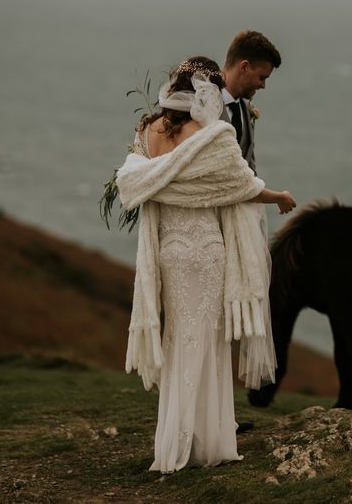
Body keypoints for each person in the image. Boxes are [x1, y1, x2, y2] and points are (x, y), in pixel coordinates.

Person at [116, 56, 296, 474]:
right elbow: (241, 187)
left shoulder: (146, 132)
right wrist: (280, 196)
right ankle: (207, 444)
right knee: (208, 344)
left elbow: (133, 181)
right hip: (205, 250)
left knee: (180, 341)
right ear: (206, 94)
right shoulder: (214, 135)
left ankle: (174, 444)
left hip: (169, 250)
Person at [220, 30, 282, 174]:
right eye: (262, 78)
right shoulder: (200, 105)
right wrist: (281, 198)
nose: (263, 85)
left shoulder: (246, 111)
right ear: (244, 67)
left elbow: (250, 173)